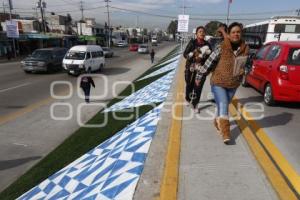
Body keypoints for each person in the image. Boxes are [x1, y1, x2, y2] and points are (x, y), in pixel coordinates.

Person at [195, 22, 249, 144]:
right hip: (218, 82)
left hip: (233, 84)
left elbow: (247, 65)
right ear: (229, 34)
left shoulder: (246, 48)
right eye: (233, 32)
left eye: (238, 32)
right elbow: (209, 62)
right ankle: (226, 133)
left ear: (241, 34)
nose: (236, 34)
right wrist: (199, 76)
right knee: (224, 104)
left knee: (222, 105)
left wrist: (244, 71)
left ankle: (217, 121)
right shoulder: (222, 46)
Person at [183, 26, 212, 112]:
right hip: (191, 68)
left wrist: (205, 56)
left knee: (198, 87)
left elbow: (210, 57)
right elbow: (185, 54)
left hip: (201, 69)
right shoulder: (192, 43)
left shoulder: (207, 44)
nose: (202, 33)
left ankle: (195, 104)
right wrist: (193, 55)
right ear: (196, 34)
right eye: (200, 31)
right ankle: (188, 99)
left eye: (203, 32)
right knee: (189, 85)